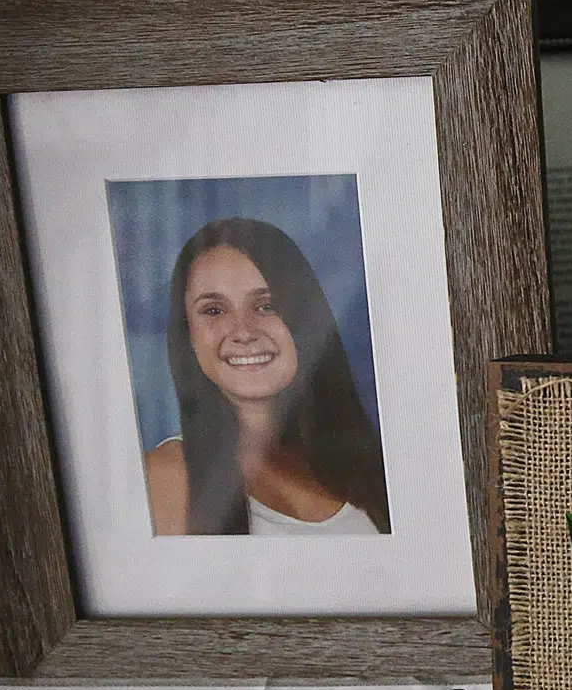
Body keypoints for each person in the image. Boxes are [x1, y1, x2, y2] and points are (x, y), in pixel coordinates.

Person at [142, 216, 390, 536]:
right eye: (214, 310)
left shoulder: (369, 462)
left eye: (266, 305)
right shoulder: (168, 478)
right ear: (186, 334)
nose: (243, 332)